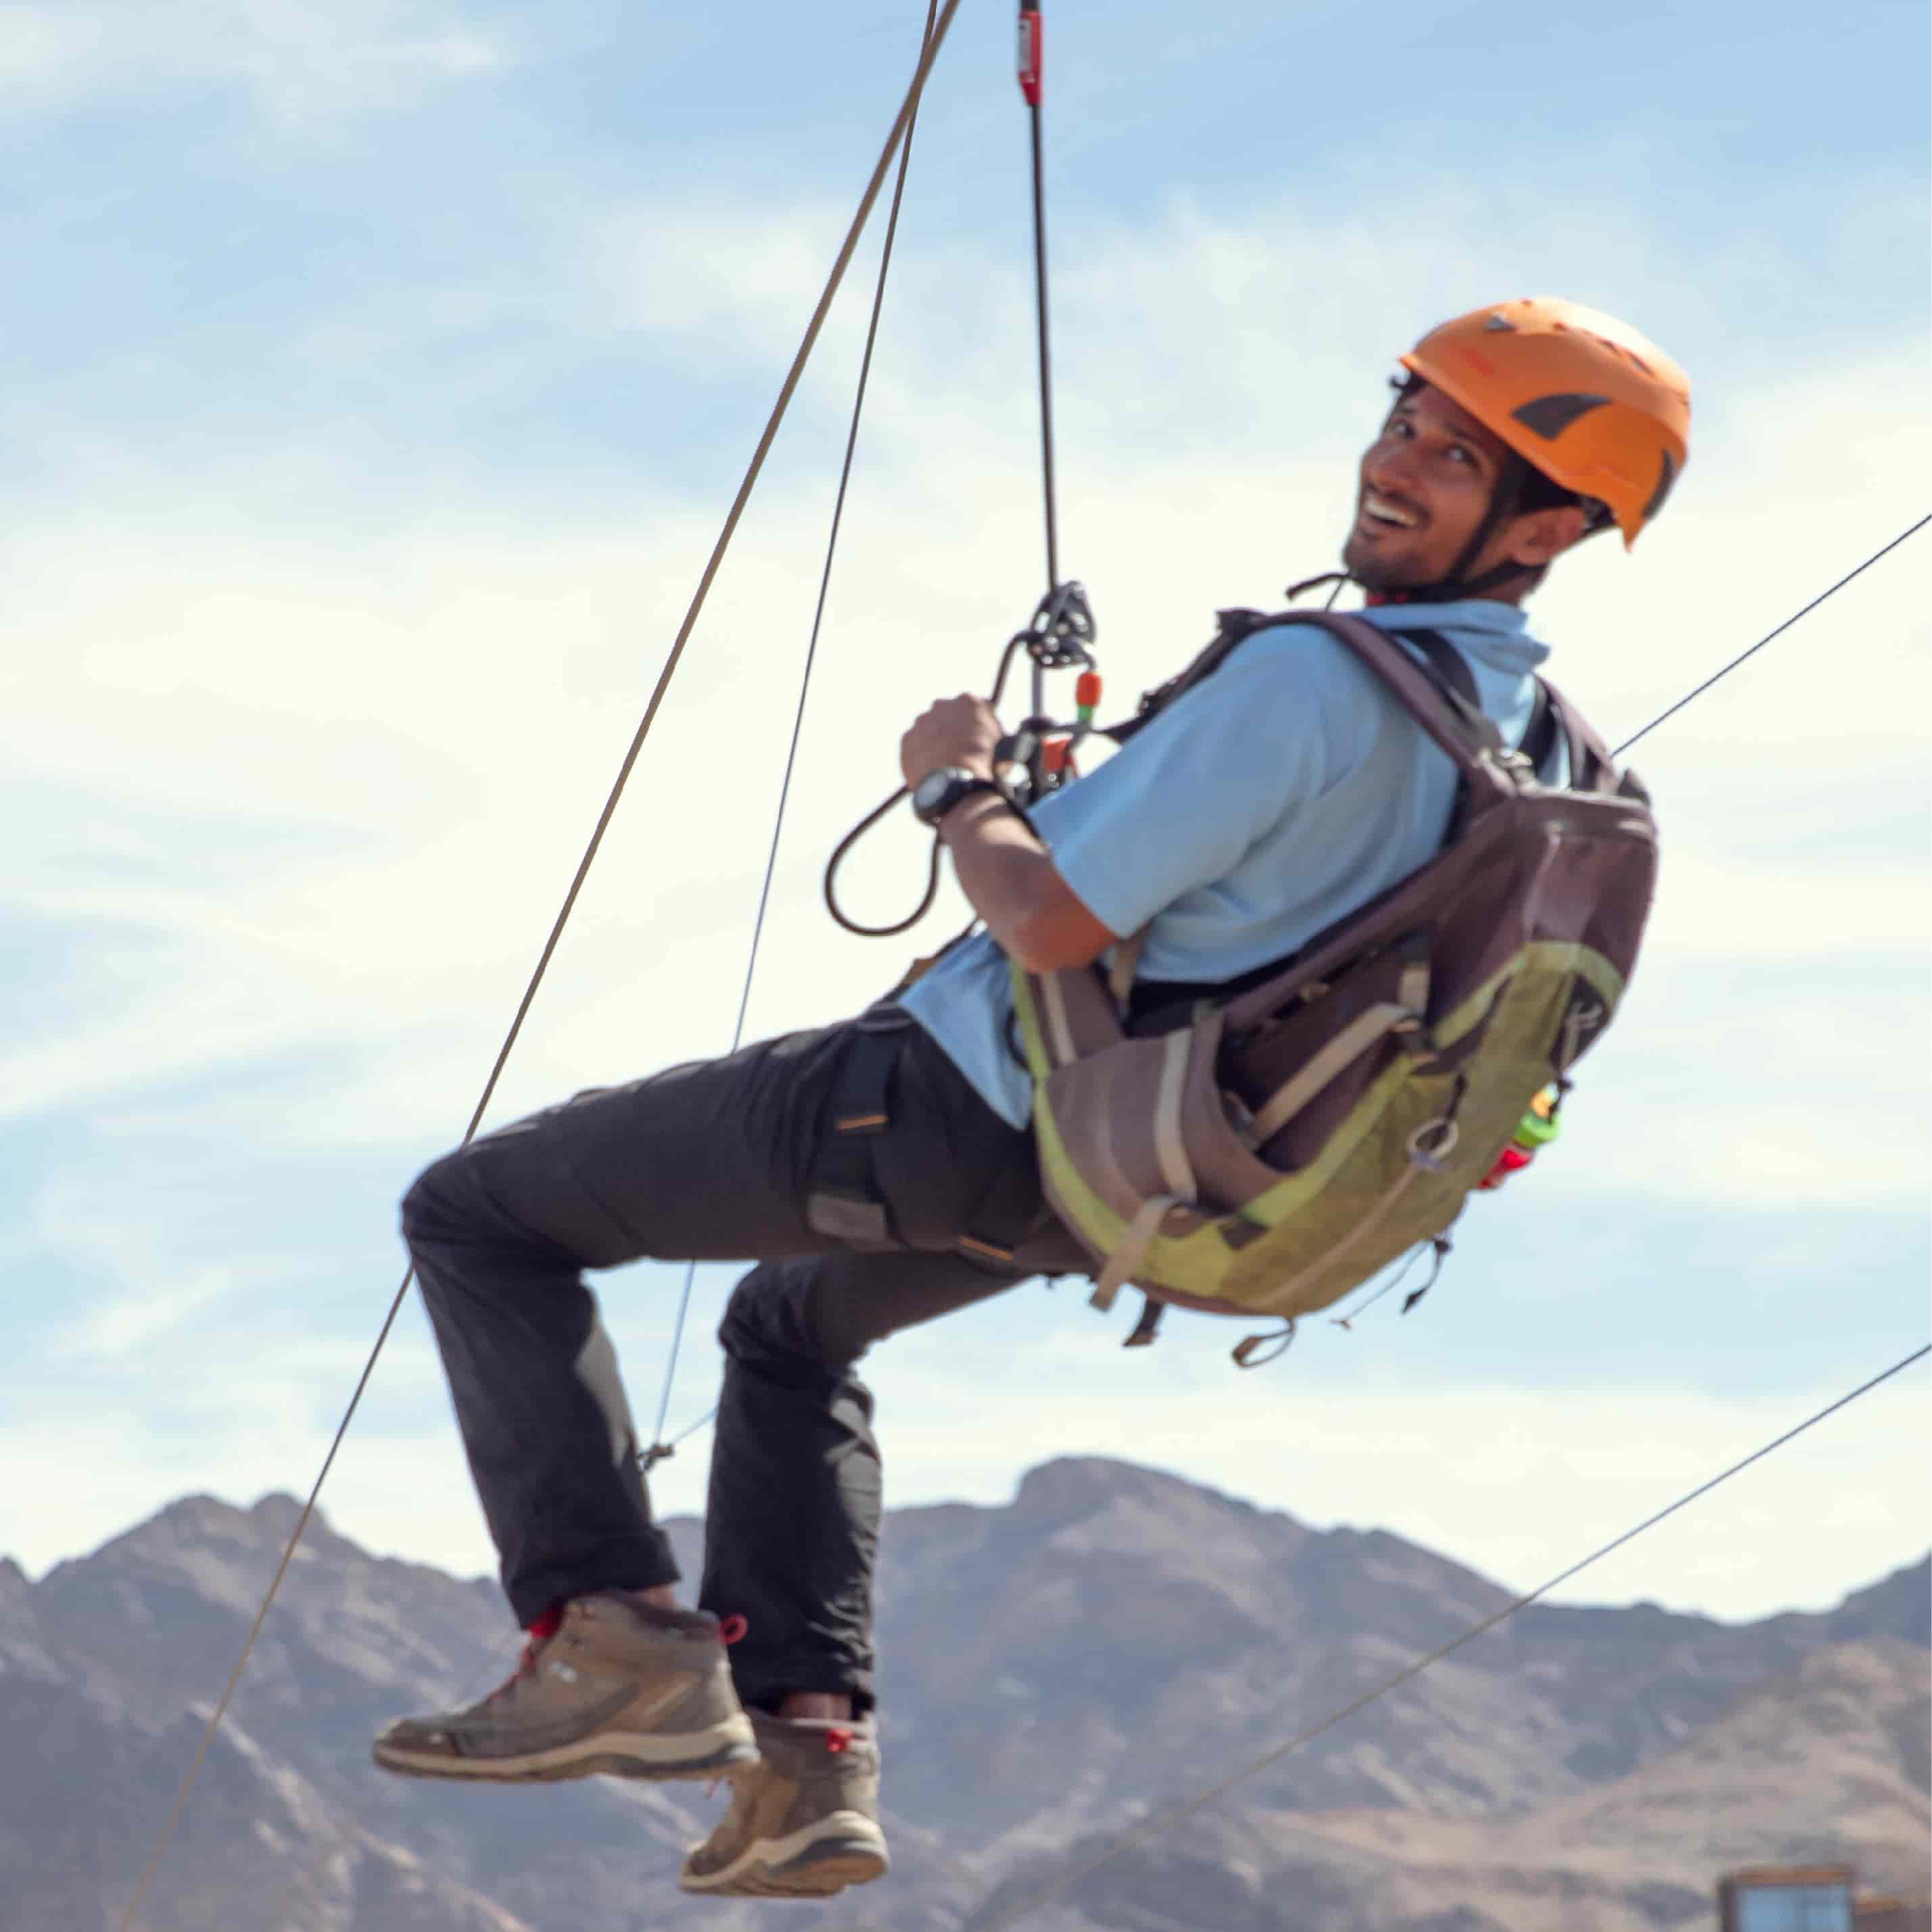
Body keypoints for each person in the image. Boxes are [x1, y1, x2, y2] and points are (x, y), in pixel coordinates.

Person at [371, 298, 1690, 1900]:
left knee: (478, 1211)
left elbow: (1049, 915)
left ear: (1550, 522)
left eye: (1454, 454)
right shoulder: (1549, 757)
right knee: (788, 1326)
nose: (1393, 464)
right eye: (1402, 421)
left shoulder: (1319, 680)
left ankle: (616, 1638)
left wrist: (957, 783)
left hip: (952, 1105)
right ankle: (806, 1751)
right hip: (1112, 1184)